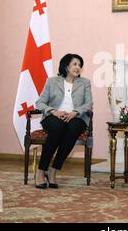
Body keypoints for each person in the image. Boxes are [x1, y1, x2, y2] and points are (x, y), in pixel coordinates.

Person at [34, 53, 93, 189]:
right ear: (66, 66)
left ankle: (53, 170)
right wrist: (54, 111)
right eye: (75, 64)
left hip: (76, 117)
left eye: (79, 65)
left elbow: (88, 104)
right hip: (54, 116)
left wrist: (75, 112)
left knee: (72, 129)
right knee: (58, 128)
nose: (78, 67)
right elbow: (40, 103)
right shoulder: (52, 81)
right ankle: (41, 171)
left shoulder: (85, 83)